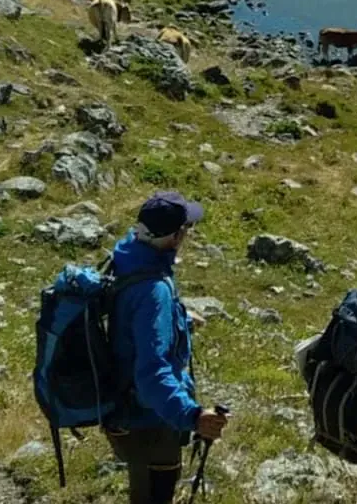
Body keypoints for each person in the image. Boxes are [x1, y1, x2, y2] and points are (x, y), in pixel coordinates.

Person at [106, 191, 229, 504]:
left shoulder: (129, 259)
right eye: (186, 229)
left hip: (127, 410)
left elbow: (133, 328)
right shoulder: (154, 291)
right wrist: (193, 416)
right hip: (147, 419)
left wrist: (179, 319)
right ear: (175, 236)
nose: (187, 234)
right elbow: (152, 373)